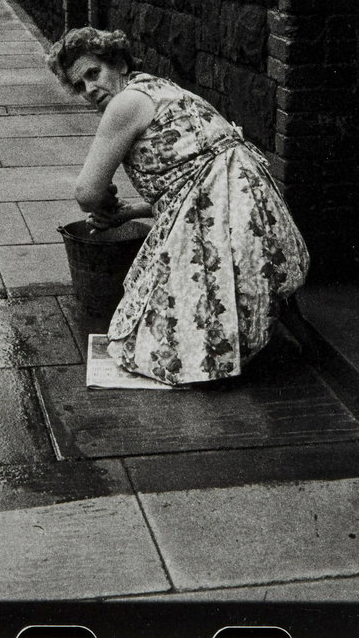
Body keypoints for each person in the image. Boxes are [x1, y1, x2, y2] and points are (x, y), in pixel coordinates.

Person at [46, 27, 309, 386]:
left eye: (94, 73)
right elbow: (183, 185)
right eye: (79, 85)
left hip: (225, 208)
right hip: (245, 204)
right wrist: (127, 212)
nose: (90, 90)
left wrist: (104, 200)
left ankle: (234, 358)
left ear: (119, 63)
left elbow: (86, 194)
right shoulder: (156, 86)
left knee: (150, 339)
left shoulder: (126, 103)